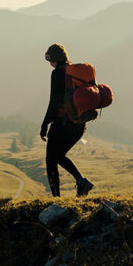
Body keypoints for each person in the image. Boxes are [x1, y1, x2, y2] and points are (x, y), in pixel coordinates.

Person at [40, 43, 94, 198]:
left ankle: (56, 199)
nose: (49, 64)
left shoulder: (57, 73)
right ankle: (81, 181)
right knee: (58, 156)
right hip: (78, 125)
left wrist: (44, 125)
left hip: (62, 124)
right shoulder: (75, 73)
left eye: (49, 60)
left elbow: (54, 102)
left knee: (51, 160)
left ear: (54, 59)